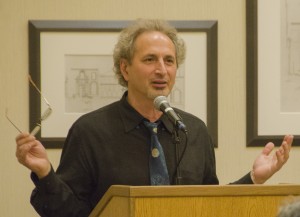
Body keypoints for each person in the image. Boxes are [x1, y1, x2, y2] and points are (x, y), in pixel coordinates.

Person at [15, 19, 294, 217]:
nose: (162, 70)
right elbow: (72, 213)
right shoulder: (90, 131)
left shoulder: (192, 130)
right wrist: (44, 174)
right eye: (150, 60)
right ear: (125, 69)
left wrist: (254, 179)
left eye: (169, 61)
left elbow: (209, 206)